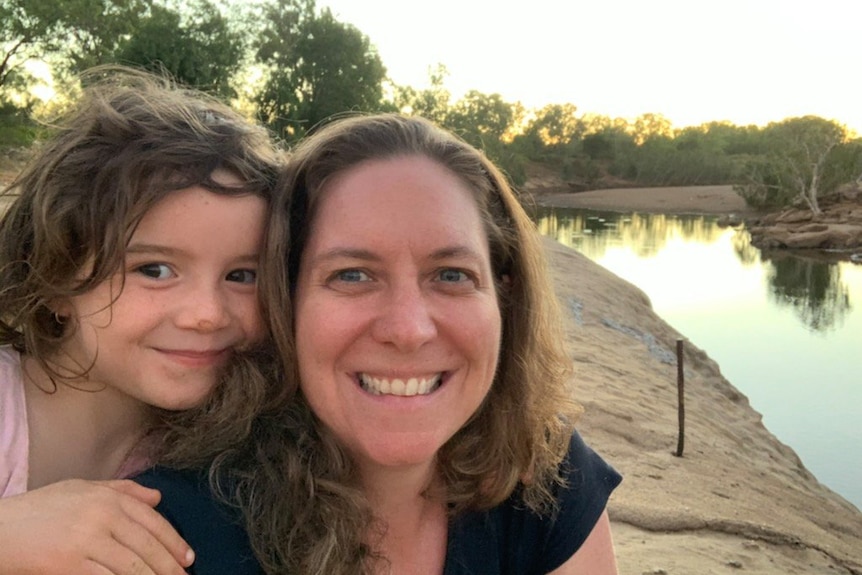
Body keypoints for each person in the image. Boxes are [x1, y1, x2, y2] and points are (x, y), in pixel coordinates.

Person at [137, 113, 621, 574]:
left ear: (505, 297)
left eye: (452, 275)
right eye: (352, 275)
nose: (409, 330)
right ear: (285, 301)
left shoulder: (544, 473)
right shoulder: (165, 535)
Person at [0, 66, 281, 574]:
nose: (207, 314)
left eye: (243, 275)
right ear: (56, 276)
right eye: (155, 269)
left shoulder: (225, 447)